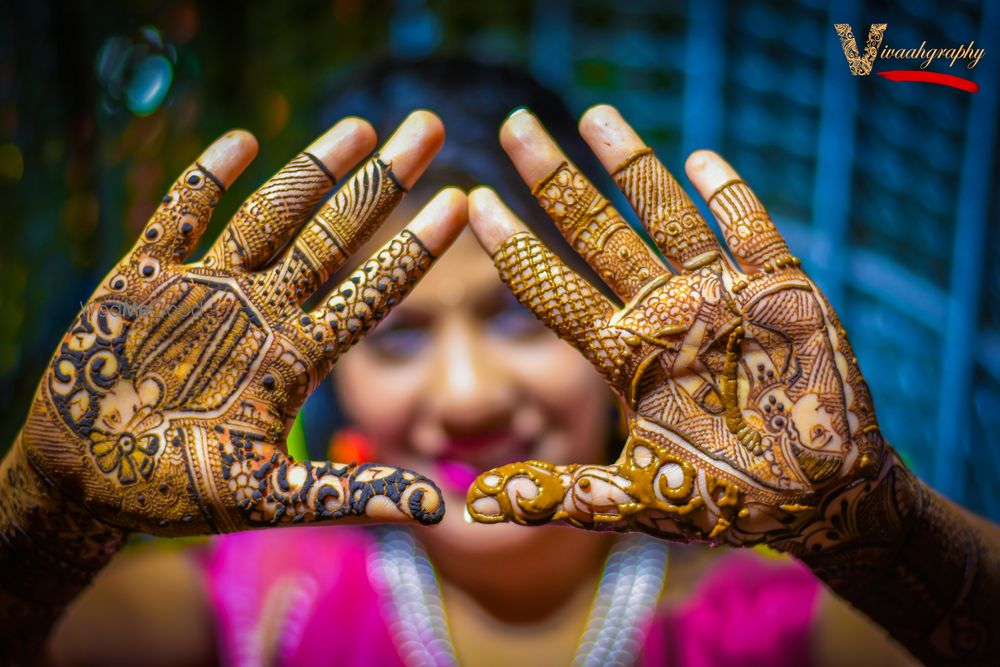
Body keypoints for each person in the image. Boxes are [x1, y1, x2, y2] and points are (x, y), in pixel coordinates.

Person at [2, 61, 996, 667]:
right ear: (325, 375)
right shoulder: (258, 602)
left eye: (524, 319)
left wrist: (886, 530)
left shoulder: (767, 616)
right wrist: (40, 513)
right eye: (392, 335)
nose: (468, 395)